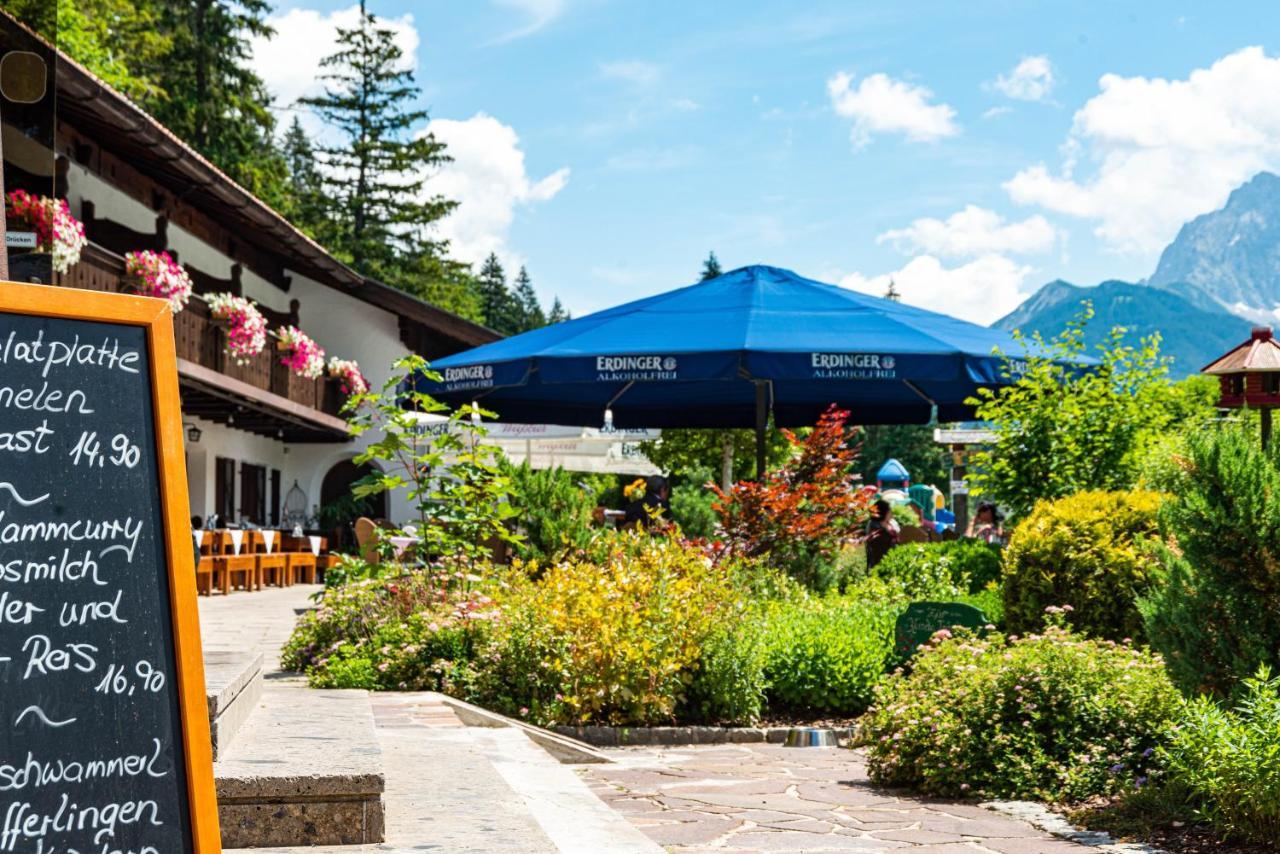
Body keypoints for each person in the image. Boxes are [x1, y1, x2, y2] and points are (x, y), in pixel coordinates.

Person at [865, 499, 899, 568]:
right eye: (889, 511)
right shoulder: (874, 526)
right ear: (883, 512)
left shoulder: (891, 523)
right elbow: (880, 547)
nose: (891, 513)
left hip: (894, 558)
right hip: (881, 561)